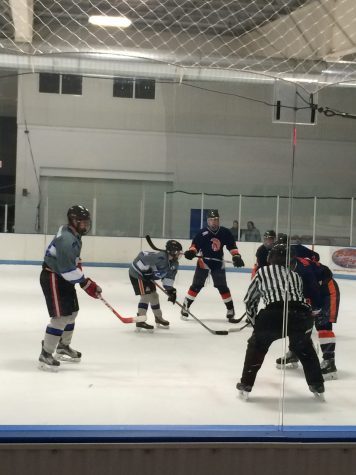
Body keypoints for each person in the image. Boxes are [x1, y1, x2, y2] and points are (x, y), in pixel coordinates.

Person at [236, 243, 324, 400]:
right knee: (306, 349)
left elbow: (249, 300)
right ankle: (317, 385)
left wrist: (254, 321)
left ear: (270, 259)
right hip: (302, 315)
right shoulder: (296, 276)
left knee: (256, 346)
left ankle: (246, 385)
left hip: (273, 315)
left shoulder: (262, 271)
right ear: (290, 261)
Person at [39, 205, 102, 371]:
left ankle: (62, 346)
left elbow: (71, 262)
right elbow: (66, 269)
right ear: (73, 221)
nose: (86, 226)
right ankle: (46, 353)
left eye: (87, 222)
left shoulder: (72, 233)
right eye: (83, 223)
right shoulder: (66, 240)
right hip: (53, 276)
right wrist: (86, 283)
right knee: (60, 318)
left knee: (72, 313)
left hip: (62, 275)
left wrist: (80, 275)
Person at [276, 254, 340, 380]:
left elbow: (315, 289)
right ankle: (295, 352)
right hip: (309, 292)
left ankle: (329, 362)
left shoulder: (304, 270)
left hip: (326, 291)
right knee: (296, 321)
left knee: (323, 325)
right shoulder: (285, 265)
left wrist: (315, 308)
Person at [182, 209, 245, 323]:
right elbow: (194, 246)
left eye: (216, 219)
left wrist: (236, 256)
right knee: (196, 285)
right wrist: (192, 252)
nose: (214, 222)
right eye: (211, 220)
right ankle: (185, 306)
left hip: (218, 263)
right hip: (204, 262)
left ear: (219, 220)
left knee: (222, 287)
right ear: (208, 221)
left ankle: (230, 309)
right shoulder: (202, 233)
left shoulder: (225, 232)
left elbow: (232, 246)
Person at [129, 240, 182, 331]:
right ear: (172, 252)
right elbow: (142, 256)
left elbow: (168, 279)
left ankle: (158, 318)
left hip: (148, 277)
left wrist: (171, 290)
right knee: (146, 296)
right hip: (137, 274)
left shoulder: (174, 264)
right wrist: (145, 270)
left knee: (154, 296)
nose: (179, 255)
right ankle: (140, 320)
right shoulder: (160, 257)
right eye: (178, 252)